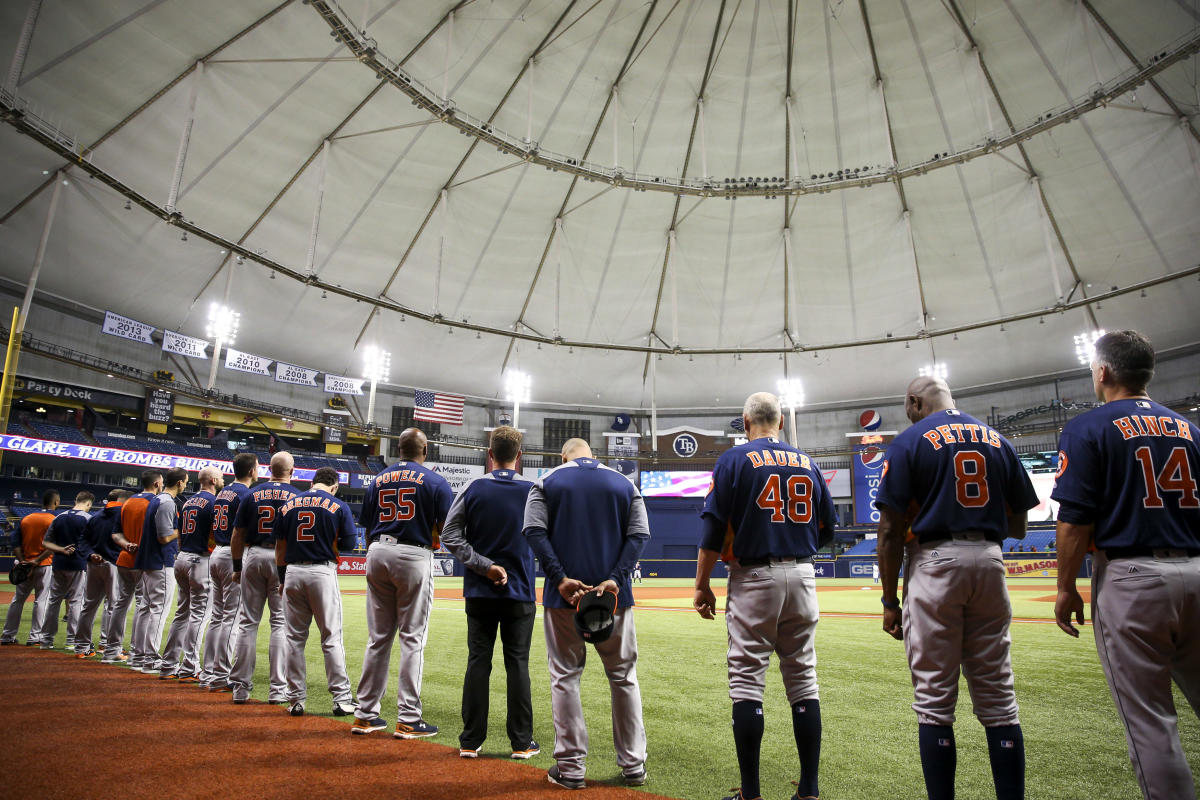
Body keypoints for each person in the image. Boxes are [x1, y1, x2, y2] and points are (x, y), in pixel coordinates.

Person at [1051, 330, 1200, 800]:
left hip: (1133, 579)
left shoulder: (1088, 427)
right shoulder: (1190, 429)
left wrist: (1065, 587)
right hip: (1196, 569)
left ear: (1103, 372)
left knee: (1151, 724)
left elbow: (1074, 522)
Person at [874, 376, 1038, 800]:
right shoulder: (996, 439)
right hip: (989, 558)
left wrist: (890, 600)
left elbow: (890, 531)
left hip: (935, 561)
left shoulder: (911, 441)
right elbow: (1019, 524)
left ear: (913, 401)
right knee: (999, 697)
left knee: (934, 701)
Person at [694, 393, 835, 800]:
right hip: (804, 574)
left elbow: (713, 528)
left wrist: (702, 584)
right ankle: (809, 789)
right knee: (803, 679)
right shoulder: (807, 462)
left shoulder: (734, 460)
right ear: (781, 423)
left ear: (745, 422)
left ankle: (751, 794)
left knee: (747, 682)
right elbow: (827, 529)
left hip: (753, 576)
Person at [524, 437, 650, 789]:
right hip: (615, 599)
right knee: (623, 677)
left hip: (563, 597)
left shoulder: (547, 481)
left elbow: (533, 531)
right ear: (592, 454)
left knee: (565, 677)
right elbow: (640, 534)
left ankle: (571, 769)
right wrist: (614, 579)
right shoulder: (623, 482)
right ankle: (634, 766)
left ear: (564, 456)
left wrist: (560, 578)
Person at [440, 426, 539, 759]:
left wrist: (483, 566)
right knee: (518, 664)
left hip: (481, 591)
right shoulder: (535, 489)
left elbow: (450, 537)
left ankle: (470, 740)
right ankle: (522, 743)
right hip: (521, 590)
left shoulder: (473, 487)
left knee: (478, 661)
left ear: (490, 454)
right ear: (519, 456)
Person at [352, 428, 453, 737]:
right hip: (413, 553)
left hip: (377, 550)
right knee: (412, 638)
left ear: (398, 449)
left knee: (378, 637)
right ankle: (408, 717)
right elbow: (447, 530)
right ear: (425, 451)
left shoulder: (378, 479)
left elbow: (367, 526)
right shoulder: (435, 481)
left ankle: (365, 713)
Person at [273, 466, 358, 717]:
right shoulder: (337, 505)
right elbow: (350, 545)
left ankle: (296, 699)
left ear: (312, 482)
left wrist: (281, 578)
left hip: (292, 573)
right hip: (321, 572)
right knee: (330, 637)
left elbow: (280, 546)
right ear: (334, 486)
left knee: (294, 639)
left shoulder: (289, 504)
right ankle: (341, 699)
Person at [229, 452, 298, 704]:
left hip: (254, 554)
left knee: (248, 622)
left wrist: (237, 566)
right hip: (282, 559)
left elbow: (237, 534)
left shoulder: (251, 494)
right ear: (292, 471)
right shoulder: (297, 496)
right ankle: (277, 689)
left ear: (269, 469)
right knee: (279, 623)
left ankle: (240, 687)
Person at [200, 452, 257, 691]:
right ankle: (220, 676)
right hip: (233, 554)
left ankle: (209, 671)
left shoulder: (223, 492)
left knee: (218, 616)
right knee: (232, 618)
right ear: (252, 471)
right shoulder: (245, 493)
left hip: (217, 553)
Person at [160, 466, 223, 681]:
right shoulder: (214, 502)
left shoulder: (187, 501)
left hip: (182, 557)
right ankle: (190, 665)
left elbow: (179, 534)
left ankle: (168, 663)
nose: (223, 479)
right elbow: (216, 533)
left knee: (182, 613)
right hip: (200, 559)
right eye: (221, 477)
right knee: (200, 614)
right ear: (213, 480)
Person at [131, 467, 187, 673]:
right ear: (180, 483)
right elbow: (164, 537)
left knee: (146, 609)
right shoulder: (166, 502)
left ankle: (139, 655)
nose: (185, 485)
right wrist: (181, 530)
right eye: (185, 482)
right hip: (161, 562)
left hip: (150, 561)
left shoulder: (156, 500)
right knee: (157, 610)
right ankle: (151, 659)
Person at [105, 471, 161, 665]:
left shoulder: (127, 502)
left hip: (124, 557)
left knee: (121, 603)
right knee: (143, 605)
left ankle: (111, 649)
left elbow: (115, 534)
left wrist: (126, 544)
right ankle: (137, 653)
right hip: (144, 560)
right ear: (156, 483)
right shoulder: (155, 502)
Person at [35, 491, 96, 649]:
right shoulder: (88, 519)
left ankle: (46, 640)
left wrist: (62, 550)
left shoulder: (59, 517)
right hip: (78, 564)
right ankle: (72, 639)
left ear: (76, 500)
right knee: (76, 601)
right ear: (88, 504)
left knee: (54, 601)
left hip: (58, 563)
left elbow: (46, 543)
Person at [74, 489, 129, 659]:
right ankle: (109, 647)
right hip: (114, 564)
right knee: (114, 606)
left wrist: (90, 554)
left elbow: (82, 540)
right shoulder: (123, 514)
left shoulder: (95, 516)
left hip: (93, 563)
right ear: (121, 500)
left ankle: (81, 647)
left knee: (88, 605)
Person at [1, 490, 58, 646]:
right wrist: (36, 561)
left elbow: (15, 543)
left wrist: (24, 562)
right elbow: (53, 545)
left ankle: (7, 636)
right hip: (44, 565)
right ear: (56, 502)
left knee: (17, 600)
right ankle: (35, 637)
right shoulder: (54, 519)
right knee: (41, 600)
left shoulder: (27, 518)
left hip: (25, 564)